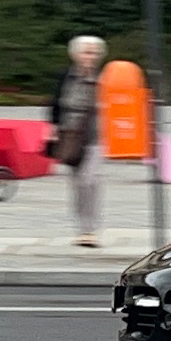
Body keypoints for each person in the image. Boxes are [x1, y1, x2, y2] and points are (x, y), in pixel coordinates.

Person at [49, 34, 106, 247]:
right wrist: (54, 128)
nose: (90, 56)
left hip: (94, 137)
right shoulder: (66, 76)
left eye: (94, 52)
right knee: (76, 185)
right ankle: (82, 228)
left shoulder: (104, 78)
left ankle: (90, 230)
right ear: (75, 54)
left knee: (90, 181)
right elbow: (55, 104)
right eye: (86, 52)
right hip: (70, 137)